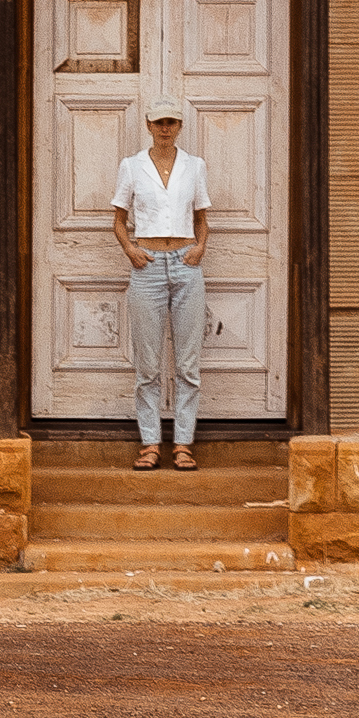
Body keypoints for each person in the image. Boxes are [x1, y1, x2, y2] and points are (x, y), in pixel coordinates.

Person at [111, 96, 211, 470]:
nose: (165, 128)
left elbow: (201, 218)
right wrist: (130, 250)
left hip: (186, 265)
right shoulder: (132, 166)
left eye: (171, 122)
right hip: (147, 266)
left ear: (180, 126)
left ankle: (183, 443)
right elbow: (119, 220)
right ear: (149, 126)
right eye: (159, 122)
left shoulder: (194, 166)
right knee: (148, 365)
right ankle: (151, 443)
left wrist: (199, 247)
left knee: (187, 364)